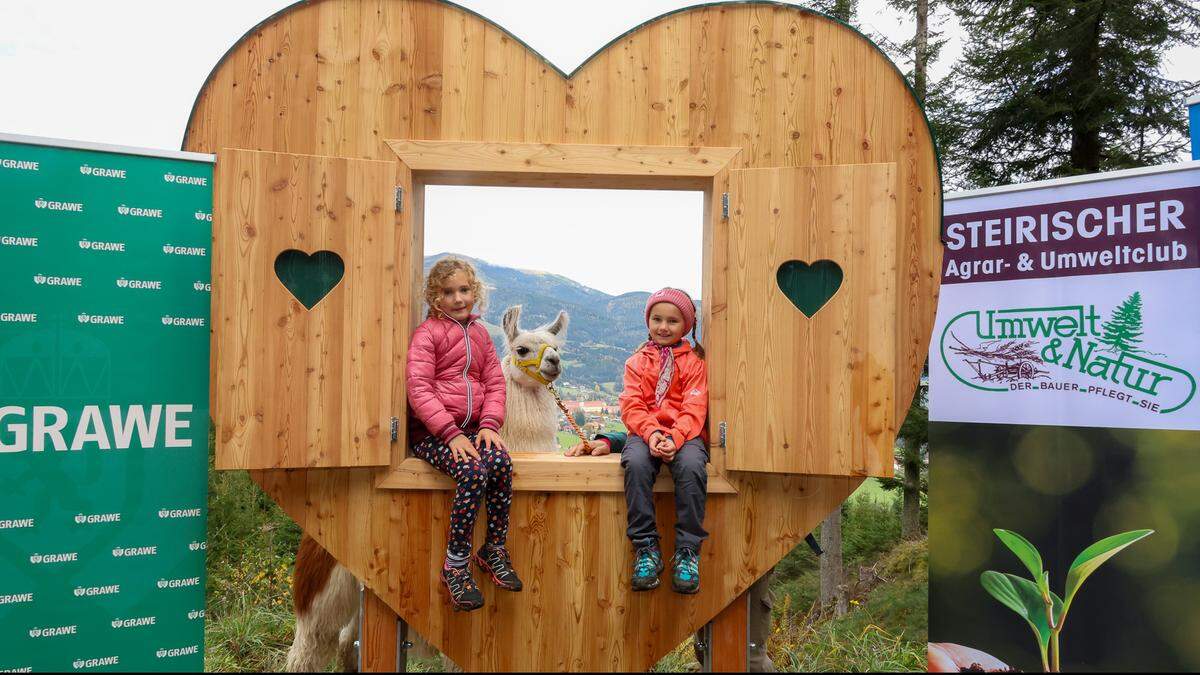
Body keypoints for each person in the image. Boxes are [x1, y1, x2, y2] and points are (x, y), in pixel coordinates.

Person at [575, 287, 710, 594]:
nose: (663, 326)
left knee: (691, 466)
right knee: (635, 463)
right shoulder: (637, 362)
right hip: (645, 433)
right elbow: (632, 406)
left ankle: (688, 550)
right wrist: (652, 434)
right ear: (648, 321)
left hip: (684, 434)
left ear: (686, 326)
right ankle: (645, 546)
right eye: (657, 319)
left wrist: (674, 437)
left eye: (672, 321)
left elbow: (695, 406)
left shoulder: (695, 363)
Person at [407, 257, 520, 612]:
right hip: (433, 432)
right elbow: (419, 388)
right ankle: (456, 565)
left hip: (472, 430)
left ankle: (493, 549)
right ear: (434, 298)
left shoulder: (481, 334)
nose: (457, 298)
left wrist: (489, 425)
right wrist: (449, 433)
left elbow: (495, 383)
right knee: (472, 472)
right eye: (447, 292)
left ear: (475, 292)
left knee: (500, 462)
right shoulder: (429, 334)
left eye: (464, 290)